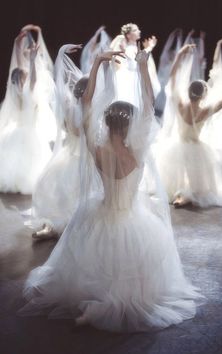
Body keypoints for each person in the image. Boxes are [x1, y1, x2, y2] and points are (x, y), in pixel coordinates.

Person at [19, 47, 202, 332]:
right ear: (131, 125)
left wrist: (97, 64)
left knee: (95, 265)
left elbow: (86, 103)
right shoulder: (138, 152)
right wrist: (142, 66)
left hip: (100, 213)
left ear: (106, 122)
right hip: (131, 218)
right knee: (128, 273)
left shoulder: (96, 148)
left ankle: (93, 304)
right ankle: (104, 308)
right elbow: (149, 102)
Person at [30, 44, 101, 240]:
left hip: (68, 158)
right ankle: (60, 226)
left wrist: (60, 54)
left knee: (62, 196)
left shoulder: (68, 109)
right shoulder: (88, 113)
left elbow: (58, 84)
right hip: (81, 160)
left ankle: (53, 226)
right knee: (75, 195)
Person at [157, 44, 222, 208]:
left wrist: (180, 55)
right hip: (195, 147)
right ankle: (187, 195)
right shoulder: (204, 111)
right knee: (195, 180)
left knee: (177, 173)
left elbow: (172, 78)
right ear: (203, 95)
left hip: (178, 144)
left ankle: (179, 195)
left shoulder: (180, 105)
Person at [0, 28, 52, 194]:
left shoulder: (15, 93)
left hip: (17, 131)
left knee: (16, 161)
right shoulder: (29, 92)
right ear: (23, 79)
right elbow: (32, 77)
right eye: (25, 75)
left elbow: (17, 69)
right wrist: (32, 60)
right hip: (31, 133)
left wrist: (16, 46)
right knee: (30, 162)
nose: (27, 75)